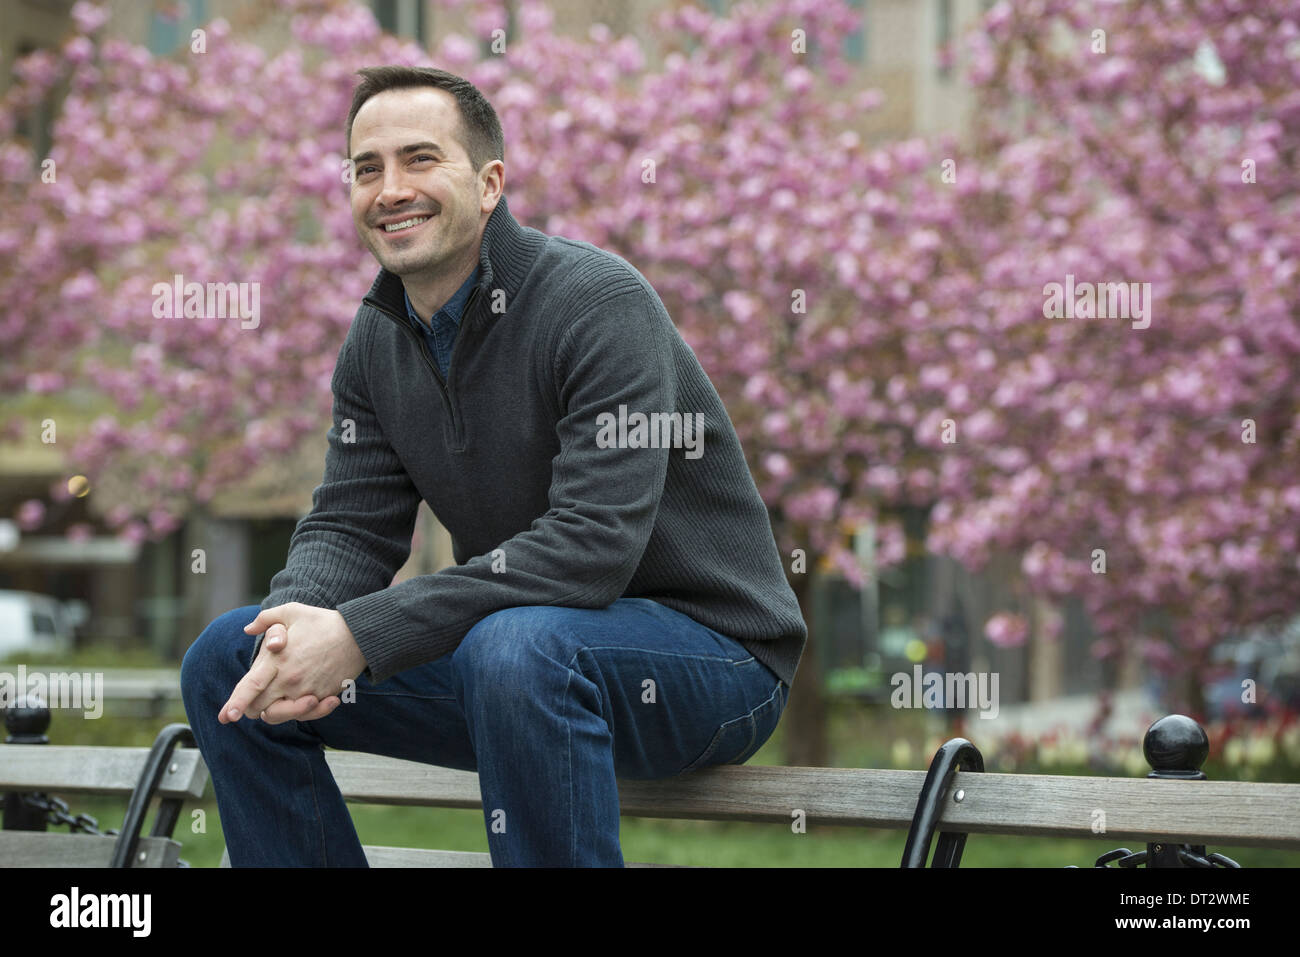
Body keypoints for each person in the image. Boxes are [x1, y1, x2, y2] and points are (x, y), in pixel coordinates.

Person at [180, 65, 807, 867]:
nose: (390, 188)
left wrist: (362, 634)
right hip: (522, 669)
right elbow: (347, 525)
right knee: (228, 656)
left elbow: (590, 547)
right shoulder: (377, 339)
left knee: (516, 646)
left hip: (713, 663)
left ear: (489, 183)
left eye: (419, 159)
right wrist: (294, 632)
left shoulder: (596, 303)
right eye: (366, 169)